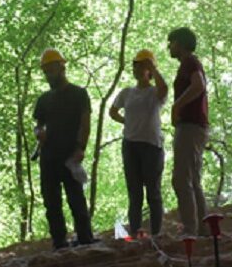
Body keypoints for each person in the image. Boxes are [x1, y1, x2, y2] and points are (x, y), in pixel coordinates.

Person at [33, 49, 95, 249]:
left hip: (70, 155)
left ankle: (85, 238)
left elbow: (85, 124)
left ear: (62, 67)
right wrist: (39, 132)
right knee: (51, 202)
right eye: (46, 70)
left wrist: (80, 148)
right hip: (48, 156)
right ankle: (59, 241)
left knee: (76, 197)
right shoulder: (44, 99)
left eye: (51, 68)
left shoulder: (79, 94)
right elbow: (38, 124)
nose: (49, 74)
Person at [109, 49, 168, 237]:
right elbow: (112, 111)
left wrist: (154, 68)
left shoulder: (154, 92)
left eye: (142, 65)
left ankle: (157, 234)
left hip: (152, 146)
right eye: (135, 65)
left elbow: (164, 90)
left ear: (149, 69)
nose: (138, 69)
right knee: (135, 194)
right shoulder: (127, 92)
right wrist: (128, 122)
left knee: (153, 193)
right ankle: (135, 234)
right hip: (131, 146)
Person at [167, 27, 209, 236]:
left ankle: (191, 230)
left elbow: (198, 85)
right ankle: (203, 228)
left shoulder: (190, 62)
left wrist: (177, 105)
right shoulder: (188, 64)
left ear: (180, 43)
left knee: (181, 178)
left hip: (191, 126)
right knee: (192, 178)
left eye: (171, 42)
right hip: (193, 126)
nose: (169, 46)